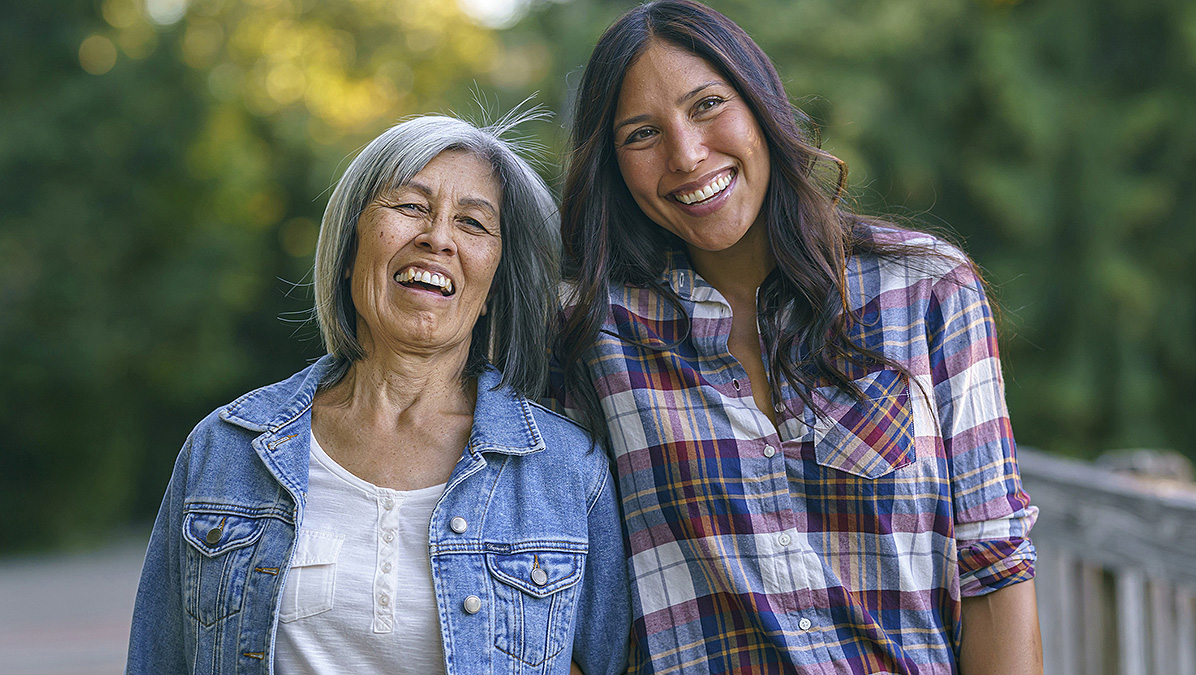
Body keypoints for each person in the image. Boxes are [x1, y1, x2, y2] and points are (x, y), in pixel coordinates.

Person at [553, 1, 1041, 673]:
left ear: (760, 104)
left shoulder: (927, 289)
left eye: (707, 105)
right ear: (612, 162)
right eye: (641, 134)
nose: (687, 155)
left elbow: (994, 564)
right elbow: (550, 572)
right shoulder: (590, 334)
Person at [127, 113, 630, 675]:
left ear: (492, 286)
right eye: (411, 207)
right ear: (348, 251)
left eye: (472, 223)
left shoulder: (565, 471)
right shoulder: (225, 451)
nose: (438, 237)